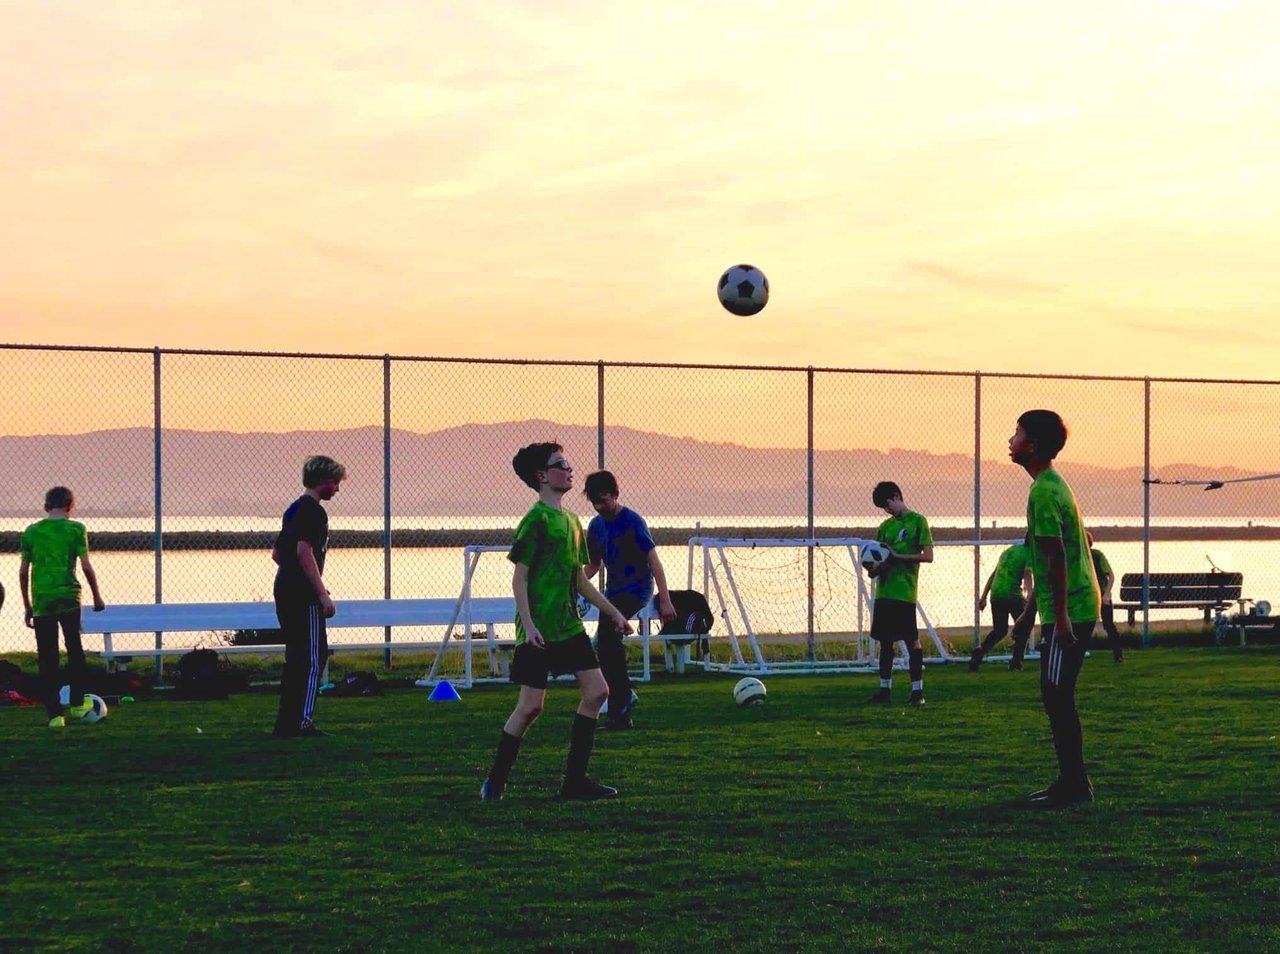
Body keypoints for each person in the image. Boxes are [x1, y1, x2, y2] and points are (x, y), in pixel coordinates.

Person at [481, 443, 634, 801]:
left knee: (598, 692)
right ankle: (495, 783)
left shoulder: (574, 522)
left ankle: (575, 782)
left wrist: (613, 613)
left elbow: (579, 579)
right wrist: (529, 626)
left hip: (569, 627)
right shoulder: (536, 520)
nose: (569, 470)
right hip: (539, 631)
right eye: (561, 465)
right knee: (530, 707)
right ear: (541, 476)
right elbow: (519, 579)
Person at [1010, 410, 1100, 808]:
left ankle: (1074, 786)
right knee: (1055, 695)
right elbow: (1047, 563)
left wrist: (1060, 618)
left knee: (1057, 695)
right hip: (1069, 606)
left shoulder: (1044, 491)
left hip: (1074, 609)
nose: (1010, 440)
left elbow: (1056, 557)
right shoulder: (1048, 486)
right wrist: (1030, 613)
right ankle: (1072, 783)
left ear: (1032, 445)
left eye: (1017, 433)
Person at [582, 470, 677, 730]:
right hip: (613, 593)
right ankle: (623, 702)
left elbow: (654, 562)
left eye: (604, 500)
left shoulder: (633, 521)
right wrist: (575, 582)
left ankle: (621, 704)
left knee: (608, 637)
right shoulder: (596, 526)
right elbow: (593, 565)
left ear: (615, 494)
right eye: (595, 502)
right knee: (604, 643)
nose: (600, 507)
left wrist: (665, 600)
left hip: (636, 590)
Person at [18, 486, 106, 728]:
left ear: (46, 507)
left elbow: (24, 571)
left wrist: (27, 605)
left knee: (48, 658)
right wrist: (97, 597)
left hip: (42, 601)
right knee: (75, 651)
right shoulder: (76, 529)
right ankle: (77, 704)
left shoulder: (32, 532)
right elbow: (86, 566)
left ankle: (55, 715)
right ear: (71, 506)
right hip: (69, 598)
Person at [271, 455, 346, 738]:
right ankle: (301, 721)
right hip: (303, 596)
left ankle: (286, 721)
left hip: (284, 589)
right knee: (314, 657)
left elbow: (278, 554)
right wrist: (321, 592)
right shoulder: (314, 513)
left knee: (295, 656)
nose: (337, 489)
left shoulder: (292, 510)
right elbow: (305, 552)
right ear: (323, 481)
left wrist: (293, 575)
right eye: (334, 482)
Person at [865, 481, 933, 706]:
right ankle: (884, 690)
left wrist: (898, 557)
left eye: (887, 505)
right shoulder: (885, 527)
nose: (887, 511)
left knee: (912, 641)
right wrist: (872, 569)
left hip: (904, 593)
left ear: (897, 496)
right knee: (885, 643)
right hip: (884, 593)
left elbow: (928, 556)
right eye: (883, 509)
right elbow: (879, 560)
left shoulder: (918, 522)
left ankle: (917, 692)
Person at [970, 542, 1035, 671]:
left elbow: (994, 575)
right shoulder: (1029, 553)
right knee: (1025, 625)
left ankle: (980, 651)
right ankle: (1016, 662)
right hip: (1012, 594)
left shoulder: (1008, 552)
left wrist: (984, 596)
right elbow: (1028, 574)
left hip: (996, 593)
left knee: (1000, 630)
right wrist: (1030, 595)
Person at [1087, 531, 1124, 663]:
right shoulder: (1077, 557)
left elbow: (1111, 576)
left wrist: (1107, 593)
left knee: (1108, 625)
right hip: (1085, 596)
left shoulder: (1097, 556)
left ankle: (1118, 654)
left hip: (1101, 595)